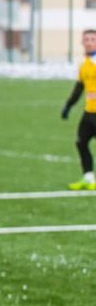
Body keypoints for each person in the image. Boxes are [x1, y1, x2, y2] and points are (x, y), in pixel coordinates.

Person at [61, 29, 96, 190]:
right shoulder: (84, 65)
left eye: (92, 39)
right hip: (89, 113)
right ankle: (88, 178)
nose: (89, 42)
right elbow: (79, 88)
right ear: (82, 43)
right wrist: (68, 105)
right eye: (86, 39)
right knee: (81, 142)